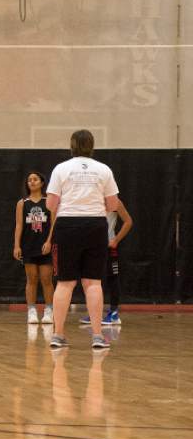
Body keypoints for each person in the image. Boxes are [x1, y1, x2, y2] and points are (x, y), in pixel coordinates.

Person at [43, 129, 120, 350]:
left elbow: (50, 205)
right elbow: (113, 205)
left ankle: (58, 335)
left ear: (72, 145)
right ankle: (97, 336)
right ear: (92, 145)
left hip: (67, 226)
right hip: (95, 225)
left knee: (65, 283)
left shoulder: (61, 168)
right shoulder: (104, 169)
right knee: (93, 282)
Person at [80, 200, 133, 326]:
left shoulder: (114, 201)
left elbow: (128, 221)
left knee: (112, 278)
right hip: (92, 246)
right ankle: (95, 314)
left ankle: (114, 313)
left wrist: (116, 239)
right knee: (91, 279)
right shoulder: (90, 198)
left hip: (109, 247)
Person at [13, 171, 54, 324]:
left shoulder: (49, 201)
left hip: (45, 246)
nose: (32, 182)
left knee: (46, 279)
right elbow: (19, 225)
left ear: (42, 183)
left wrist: (49, 241)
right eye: (29, 180)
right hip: (28, 245)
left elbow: (54, 224)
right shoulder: (22, 203)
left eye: (35, 179)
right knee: (31, 279)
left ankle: (49, 310)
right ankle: (31, 310)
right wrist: (17, 245)